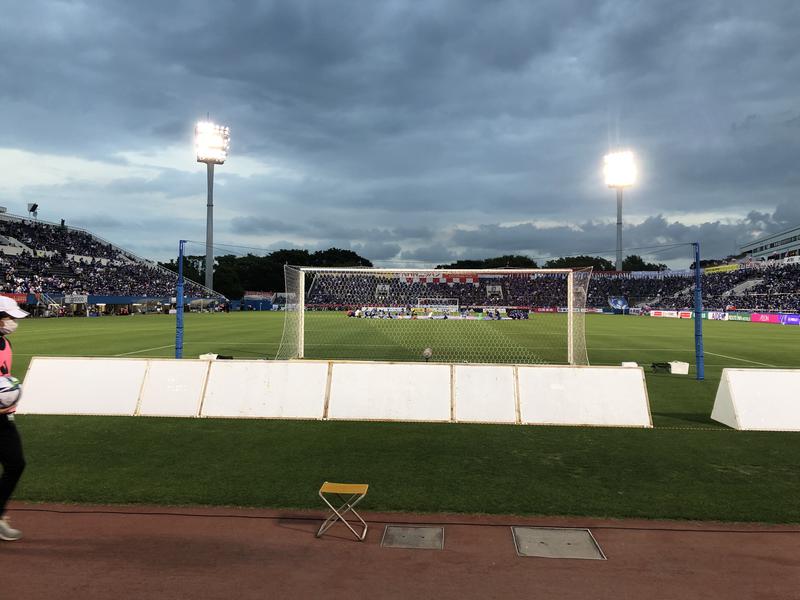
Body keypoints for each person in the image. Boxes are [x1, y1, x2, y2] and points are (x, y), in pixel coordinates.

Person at [0, 296, 29, 541]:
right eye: (7, 317)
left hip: (4, 418)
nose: (11, 322)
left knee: (15, 464)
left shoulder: (6, 343)